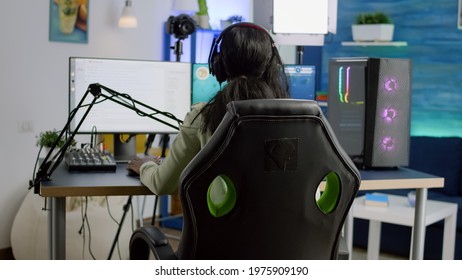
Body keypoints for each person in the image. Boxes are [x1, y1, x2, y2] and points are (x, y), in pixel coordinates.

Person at [127, 22, 290, 195]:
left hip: (225, 221)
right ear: (272, 65)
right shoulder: (296, 118)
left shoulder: (203, 117)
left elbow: (163, 184)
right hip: (288, 221)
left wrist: (146, 166)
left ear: (217, 65)